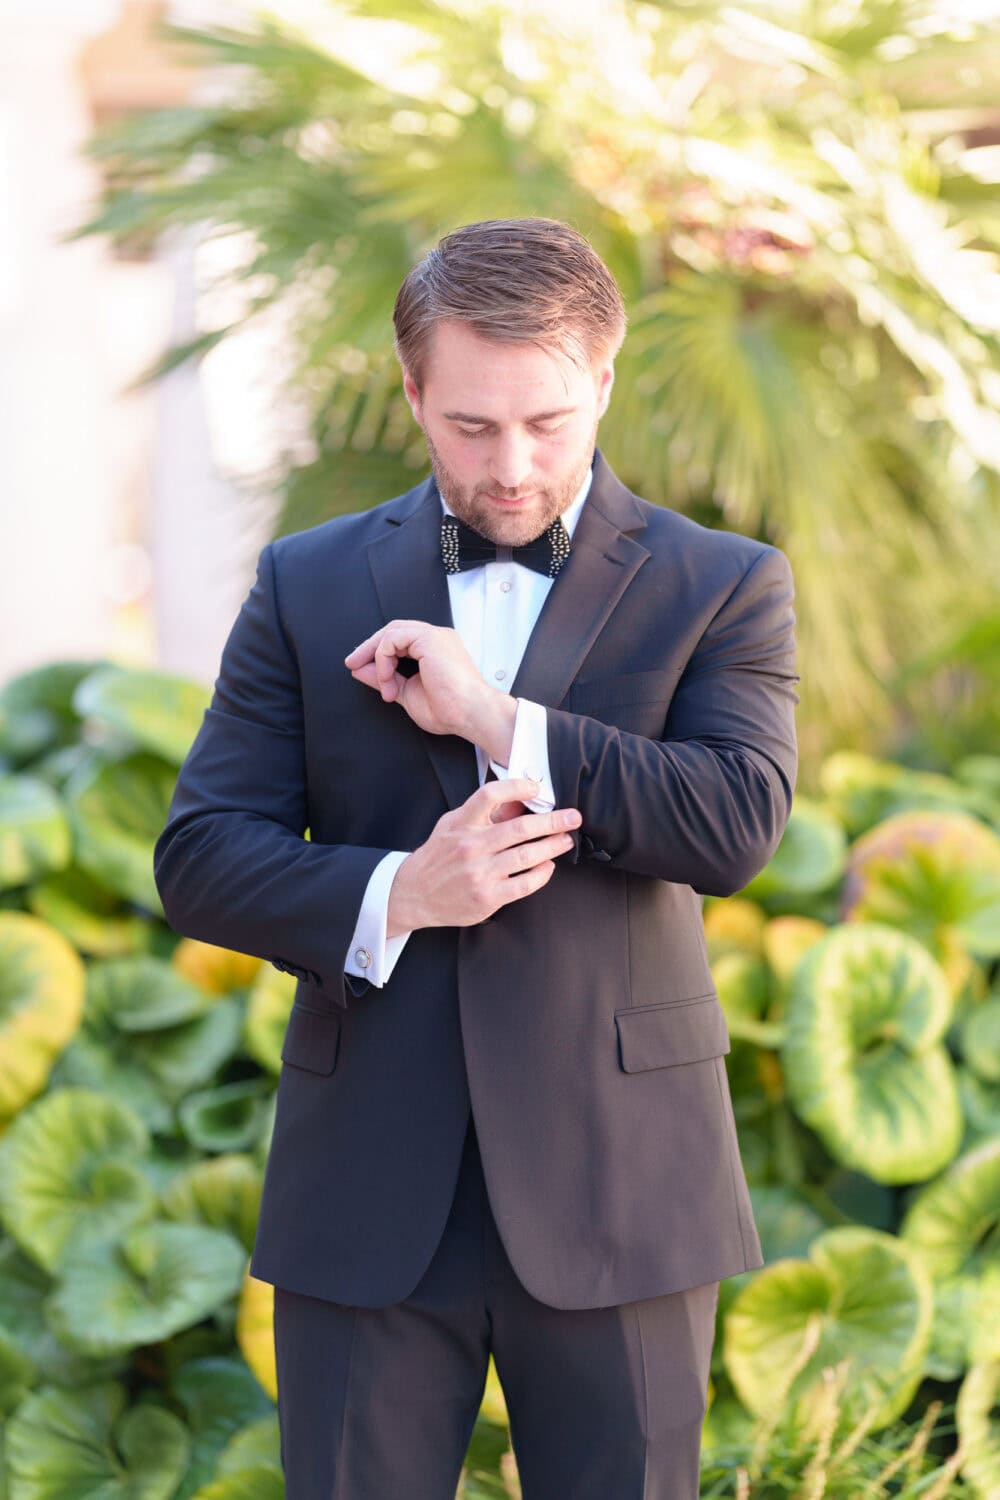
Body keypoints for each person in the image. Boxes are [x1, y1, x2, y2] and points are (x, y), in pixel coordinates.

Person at [153, 216, 799, 1499]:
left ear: (604, 382)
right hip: (368, 1185)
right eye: (470, 427)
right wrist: (402, 891)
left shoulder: (722, 582)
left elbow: (734, 823)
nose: (512, 467)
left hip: (623, 1182)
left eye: (548, 423)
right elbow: (202, 854)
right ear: (412, 390)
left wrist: (501, 726)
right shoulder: (305, 581)